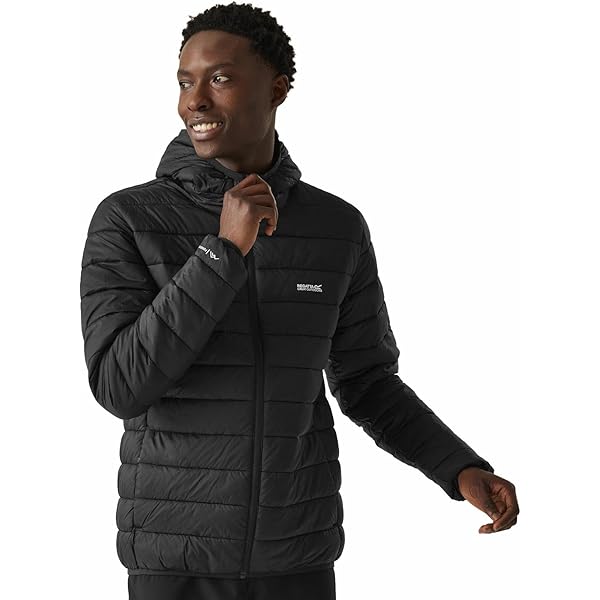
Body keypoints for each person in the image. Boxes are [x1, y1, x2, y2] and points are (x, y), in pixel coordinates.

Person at [79, 3, 519, 599]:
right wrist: (221, 253)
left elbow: (367, 381)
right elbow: (120, 384)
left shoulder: (335, 227)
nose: (195, 101)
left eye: (219, 78)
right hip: (175, 564)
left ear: (278, 88)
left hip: (297, 559)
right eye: (185, 82)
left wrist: (457, 466)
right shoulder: (129, 219)